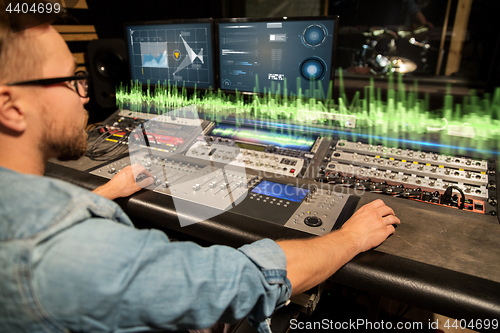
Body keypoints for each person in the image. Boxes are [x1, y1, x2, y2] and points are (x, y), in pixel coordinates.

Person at [0, 4, 400, 332]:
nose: (85, 95)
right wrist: (350, 238)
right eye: (72, 81)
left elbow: (37, 226)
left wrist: (106, 191)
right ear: (11, 107)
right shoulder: (70, 255)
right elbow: (246, 282)